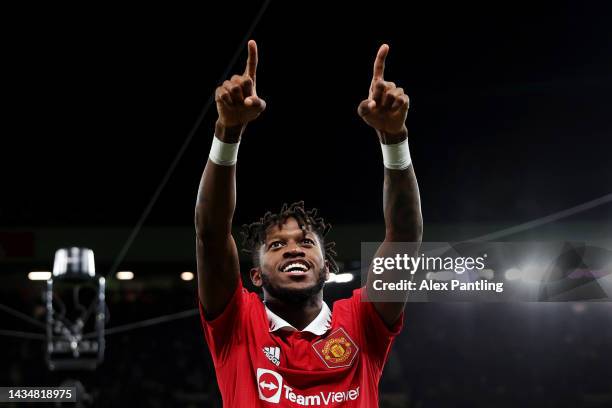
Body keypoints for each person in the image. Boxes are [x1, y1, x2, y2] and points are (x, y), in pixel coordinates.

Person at [195, 39, 422, 407]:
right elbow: (210, 234)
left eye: (304, 241)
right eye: (276, 245)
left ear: (327, 267)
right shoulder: (238, 323)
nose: (293, 249)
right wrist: (227, 132)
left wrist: (394, 139)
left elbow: (405, 237)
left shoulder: (363, 322)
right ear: (255, 276)